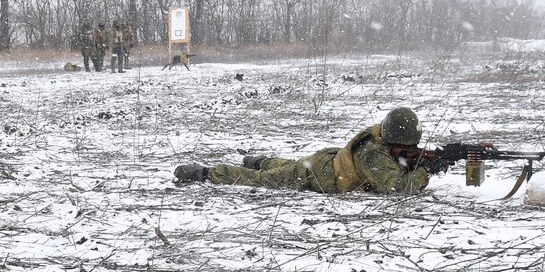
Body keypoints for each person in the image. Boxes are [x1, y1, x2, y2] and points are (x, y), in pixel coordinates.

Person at [173, 107, 437, 194]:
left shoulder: (382, 141)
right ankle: (205, 172)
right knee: (263, 181)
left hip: (323, 162)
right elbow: (396, 187)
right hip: (317, 176)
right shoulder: (374, 155)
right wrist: (426, 171)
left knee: (288, 166)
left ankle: (260, 160)